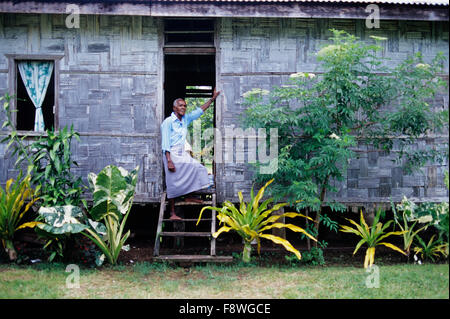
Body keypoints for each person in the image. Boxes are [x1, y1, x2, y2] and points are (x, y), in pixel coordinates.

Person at [160, 88, 220, 220]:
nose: (183, 108)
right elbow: (165, 143)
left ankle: (188, 195)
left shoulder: (185, 119)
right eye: (180, 105)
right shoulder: (168, 122)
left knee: (197, 168)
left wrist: (212, 99)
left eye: (185, 106)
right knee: (173, 181)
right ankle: (172, 213)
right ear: (174, 108)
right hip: (171, 153)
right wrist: (169, 160)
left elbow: (199, 111)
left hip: (182, 152)